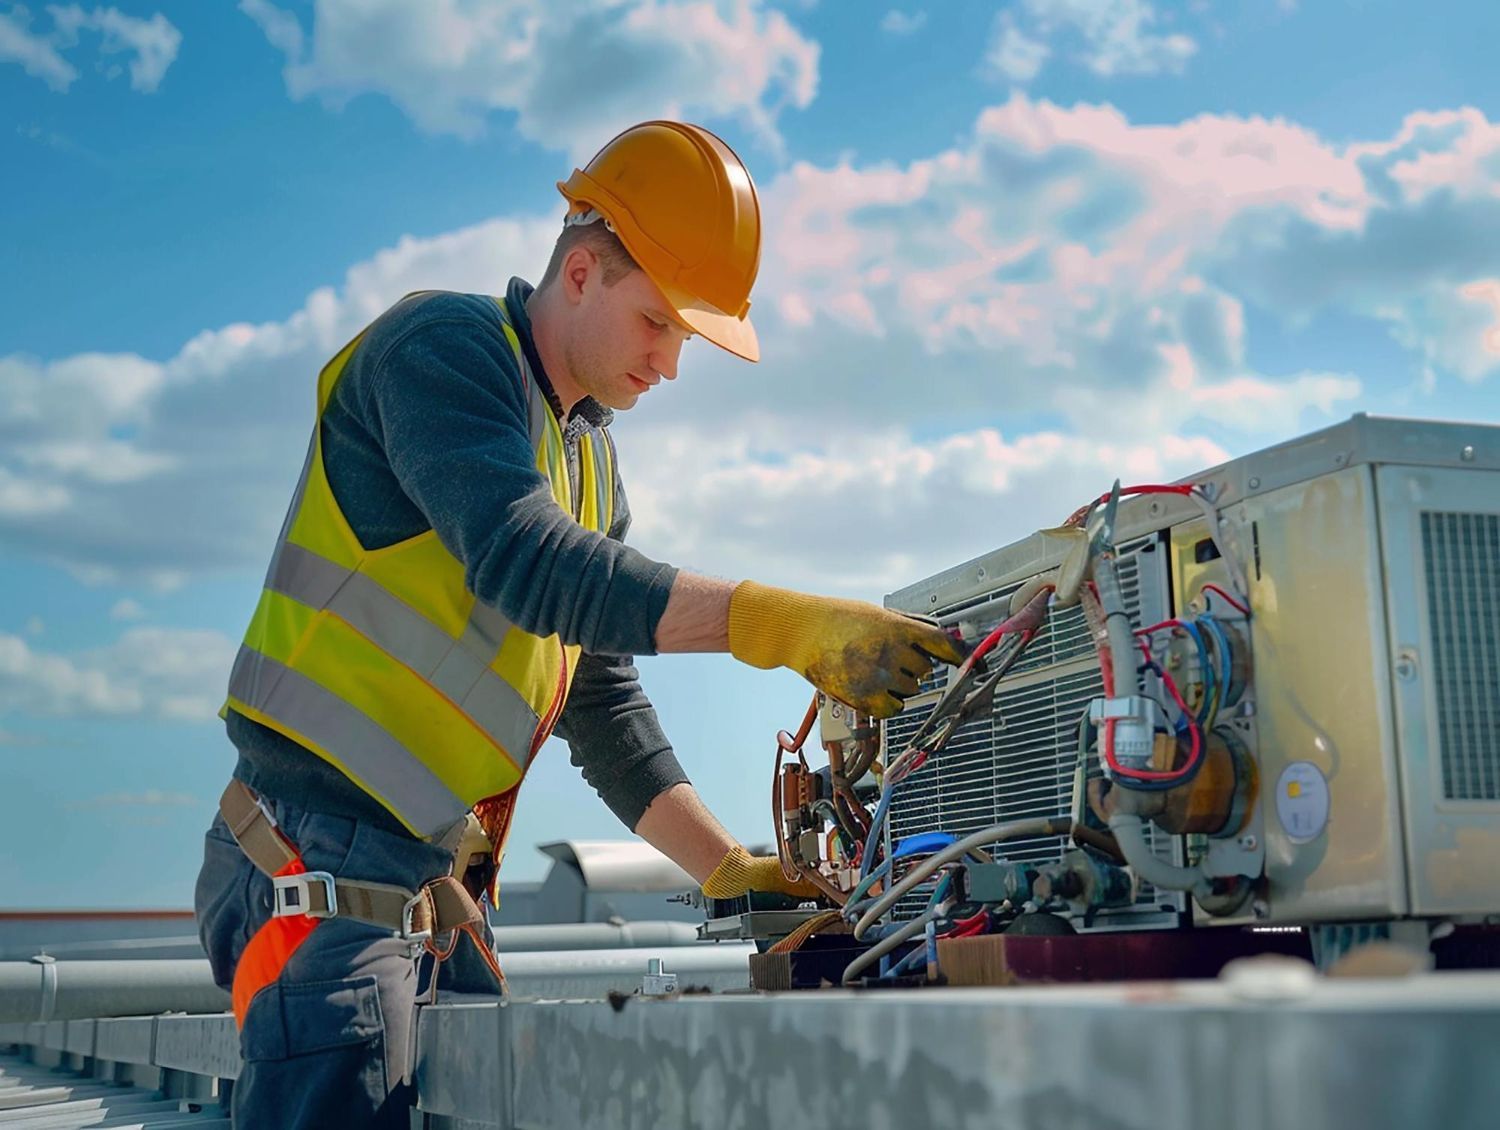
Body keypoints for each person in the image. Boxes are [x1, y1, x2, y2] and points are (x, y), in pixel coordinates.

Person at [194, 119, 961, 1128]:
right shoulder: (444, 352)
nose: (671, 364)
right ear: (584, 270)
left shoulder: (591, 464)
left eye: (686, 337)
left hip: (430, 885)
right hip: (316, 855)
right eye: (659, 322)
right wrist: (768, 621)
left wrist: (721, 865)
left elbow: (597, 699)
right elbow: (526, 557)